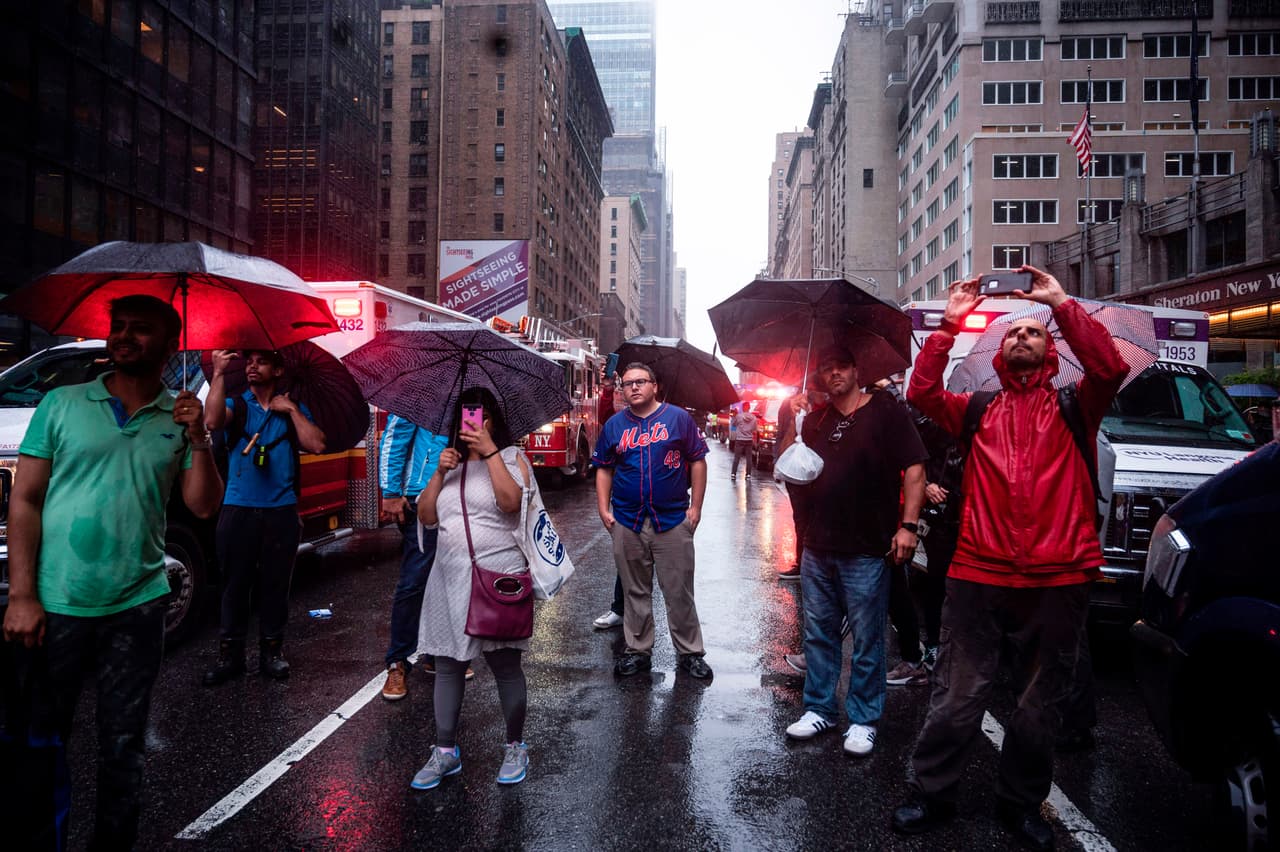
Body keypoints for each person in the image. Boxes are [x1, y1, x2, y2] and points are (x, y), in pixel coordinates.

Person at [892, 266, 1127, 851]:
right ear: (1000, 351)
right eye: (1014, 333)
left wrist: (1062, 307)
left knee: (1037, 706)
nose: (1023, 337)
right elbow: (919, 394)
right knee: (957, 695)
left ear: (1050, 351)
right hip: (978, 571)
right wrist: (947, 327)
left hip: (1059, 574)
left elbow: (1111, 367)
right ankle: (932, 792)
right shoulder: (976, 409)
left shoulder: (1078, 404)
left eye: (1034, 333)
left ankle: (1020, 803)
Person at [2, 295, 224, 850]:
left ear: (170, 344)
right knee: (41, 746)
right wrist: (22, 595)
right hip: (56, 605)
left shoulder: (178, 417)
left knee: (122, 750)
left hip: (137, 606)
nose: (123, 337)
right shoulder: (61, 403)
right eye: (117, 327)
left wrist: (200, 436)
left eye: (140, 329)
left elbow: (202, 506)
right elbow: (25, 500)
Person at [781, 346, 927, 757]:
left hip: (867, 547)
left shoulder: (885, 411)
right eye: (827, 368)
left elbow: (916, 467)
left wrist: (909, 526)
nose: (834, 373)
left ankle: (863, 719)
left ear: (857, 368)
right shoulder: (816, 419)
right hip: (819, 544)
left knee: (866, 639)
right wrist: (792, 419)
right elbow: (790, 466)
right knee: (818, 633)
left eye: (841, 364)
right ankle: (820, 709)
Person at [411, 389, 534, 789]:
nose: (473, 423)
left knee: (504, 665)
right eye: (466, 416)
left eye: (479, 416)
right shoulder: (448, 463)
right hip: (448, 578)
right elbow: (427, 516)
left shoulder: (514, 458)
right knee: (447, 664)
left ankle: (515, 746)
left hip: (497, 578)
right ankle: (445, 752)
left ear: (493, 421)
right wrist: (438, 473)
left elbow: (511, 503)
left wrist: (491, 451)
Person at [202, 348, 325, 685]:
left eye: (262, 361)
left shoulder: (290, 411)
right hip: (237, 507)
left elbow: (316, 444)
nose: (253, 366)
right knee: (234, 586)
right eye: (250, 361)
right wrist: (218, 373)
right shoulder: (237, 404)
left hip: (281, 510)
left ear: (278, 370)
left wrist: (293, 410)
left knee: (275, 586)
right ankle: (231, 657)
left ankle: (272, 653)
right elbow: (211, 422)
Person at [594, 362, 712, 680]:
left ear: (654, 386)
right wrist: (604, 509)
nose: (633, 387)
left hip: (672, 518)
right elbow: (604, 467)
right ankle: (638, 651)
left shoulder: (678, 419)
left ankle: (690, 653)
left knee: (678, 591)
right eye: (627, 383)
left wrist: (696, 508)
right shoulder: (615, 425)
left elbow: (697, 461)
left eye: (640, 382)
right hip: (628, 519)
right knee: (634, 591)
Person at [377, 413, 467, 701]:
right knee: (415, 580)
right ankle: (397, 662)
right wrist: (390, 491)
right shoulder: (423, 394)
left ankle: (435, 653)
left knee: (453, 579)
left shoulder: (475, 396)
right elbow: (395, 438)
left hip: (461, 497)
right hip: (421, 495)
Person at [730, 401, 758, 481]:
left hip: (739, 440)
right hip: (749, 440)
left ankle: (733, 474)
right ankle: (748, 475)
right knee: (749, 458)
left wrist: (734, 416)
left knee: (737, 457)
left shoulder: (739, 417)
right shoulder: (754, 417)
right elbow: (754, 429)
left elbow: (733, 425)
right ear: (749, 407)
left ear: (743, 408)